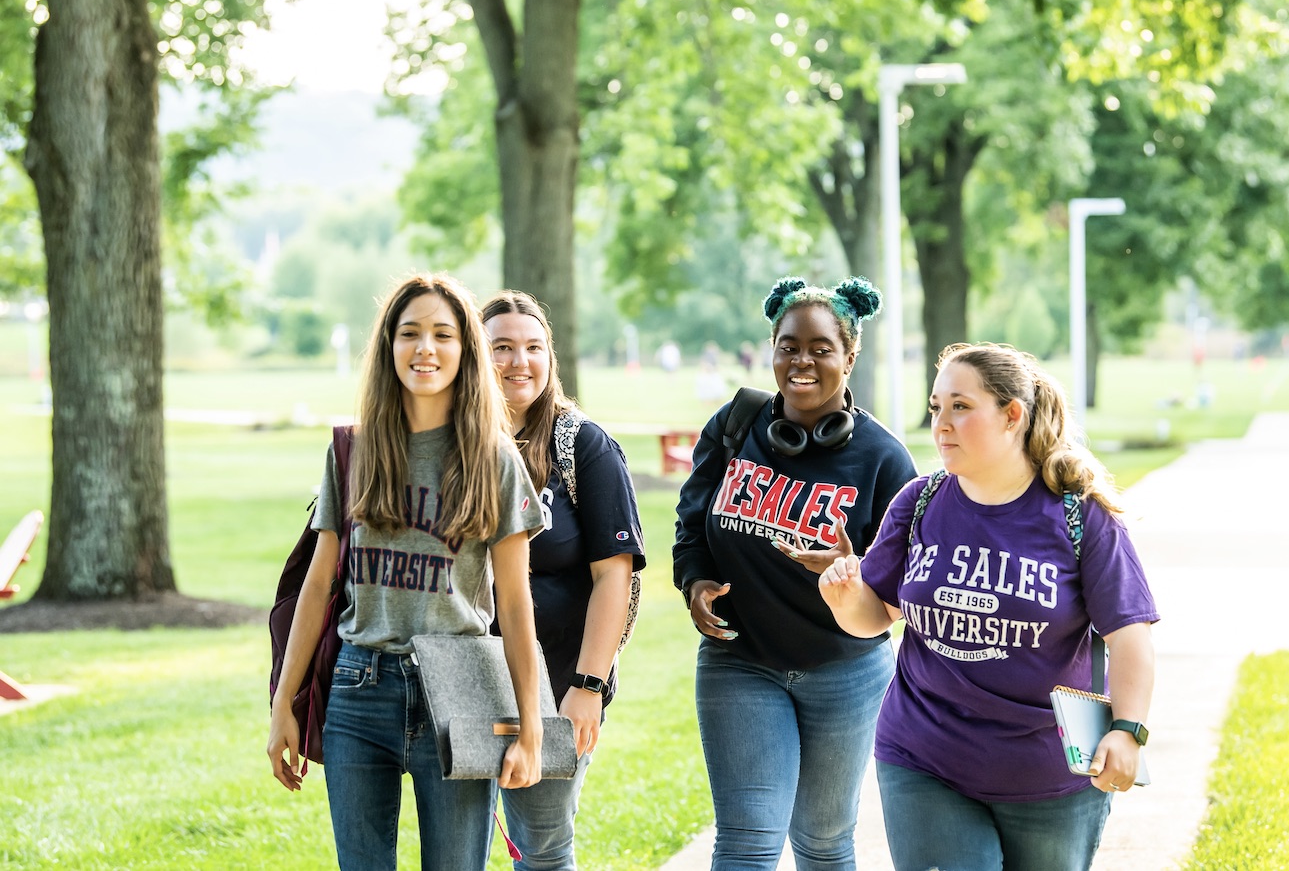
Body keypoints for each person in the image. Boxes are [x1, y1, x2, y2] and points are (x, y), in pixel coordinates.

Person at [817, 342, 1159, 871]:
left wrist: (1128, 729)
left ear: (1012, 415)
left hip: (1048, 773)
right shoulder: (919, 502)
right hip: (923, 755)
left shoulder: (1080, 518)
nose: (942, 423)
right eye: (936, 408)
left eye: (961, 406)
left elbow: (1130, 638)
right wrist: (845, 599)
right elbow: (875, 615)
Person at [267, 274, 546, 871]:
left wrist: (530, 726)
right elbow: (318, 588)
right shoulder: (353, 451)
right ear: (389, 347)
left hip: (461, 689)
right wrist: (283, 704)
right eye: (410, 333)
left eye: (443, 334)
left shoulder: (495, 460)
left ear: (466, 350)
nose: (426, 348)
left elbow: (517, 607)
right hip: (357, 689)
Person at [673, 276, 918, 870]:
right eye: (788, 346)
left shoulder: (884, 459)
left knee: (824, 843)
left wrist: (851, 573)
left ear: (850, 356)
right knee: (749, 842)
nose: (801, 360)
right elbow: (691, 521)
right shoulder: (736, 426)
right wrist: (696, 581)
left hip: (846, 673)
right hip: (740, 661)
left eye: (820, 347)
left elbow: (901, 590)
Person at [482, 291, 646, 870]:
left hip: (557, 687)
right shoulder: (452, 446)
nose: (518, 362)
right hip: (462, 684)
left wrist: (589, 686)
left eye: (533, 347)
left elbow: (615, 578)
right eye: (501, 347)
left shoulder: (581, 446)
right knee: (456, 848)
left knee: (542, 849)